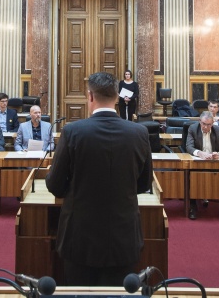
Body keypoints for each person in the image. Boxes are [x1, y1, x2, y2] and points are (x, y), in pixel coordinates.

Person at [45, 72, 152, 286]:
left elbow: (55, 185)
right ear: (118, 98)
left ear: (90, 97)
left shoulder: (73, 131)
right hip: (123, 236)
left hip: (80, 237)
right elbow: (144, 184)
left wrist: (75, 189)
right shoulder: (139, 133)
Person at [186, 111, 219, 223]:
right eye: (203, 123)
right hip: (199, 163)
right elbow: (189, 147)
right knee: (193, 175)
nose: (205, 127)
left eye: (208, 125)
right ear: (200, 121)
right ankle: (193, 207)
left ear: (213, 123)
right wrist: (200, 153)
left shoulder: (218, 130)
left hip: (215, 163)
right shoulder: (193, 129)